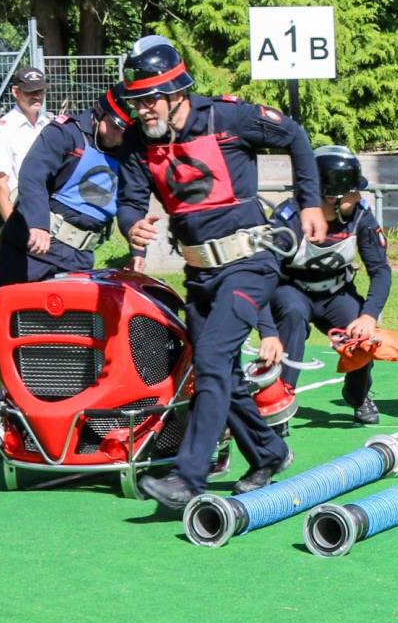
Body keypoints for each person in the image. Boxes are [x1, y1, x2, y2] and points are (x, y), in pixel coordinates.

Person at [117, 35, 327, 510]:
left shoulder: (228, 117)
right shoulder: (136, 141)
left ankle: (187, 478)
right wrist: (132, 227)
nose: (144, 111)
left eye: (151, 100)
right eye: (137, 102)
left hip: (250, 262)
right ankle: (269, 452)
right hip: (199, 275)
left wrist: (310, 201)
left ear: (177, 95)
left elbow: (294, 135)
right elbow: (130, 200)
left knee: (211, 358)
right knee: (222, 374)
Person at [267, 145, 391, 429]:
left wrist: (368, 316)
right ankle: (280, 404)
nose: (358, 196)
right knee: (292, 315)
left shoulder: (360, 215)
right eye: (351, 192)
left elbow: (380, 270)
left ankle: (357, 394)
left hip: (336, 292)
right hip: (292, 289)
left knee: (358, 332)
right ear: (330, 196)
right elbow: (266, 271)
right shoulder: (289, 217)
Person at [0, 83, 134, 290]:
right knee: (11, 314)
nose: (120, 136)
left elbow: (131, 201)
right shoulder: (66, 133)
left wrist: (137, 249)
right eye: (115, 127)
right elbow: (33, 176)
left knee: (71, 320)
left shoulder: (130, 152)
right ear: (100, 112)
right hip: (34, 250)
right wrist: (39, 225)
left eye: (127, 131)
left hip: (80, 257)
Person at [0, 66, 51, 327]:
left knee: (40, 277)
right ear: (15, 92)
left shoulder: (48, 125)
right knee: (9, 278)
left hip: (43, 211)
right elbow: (0, 182)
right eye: (30, 92)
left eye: (40, 92)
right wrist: (13, 226)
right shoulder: (4, 129)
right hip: (17, 212)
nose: (37, 97)